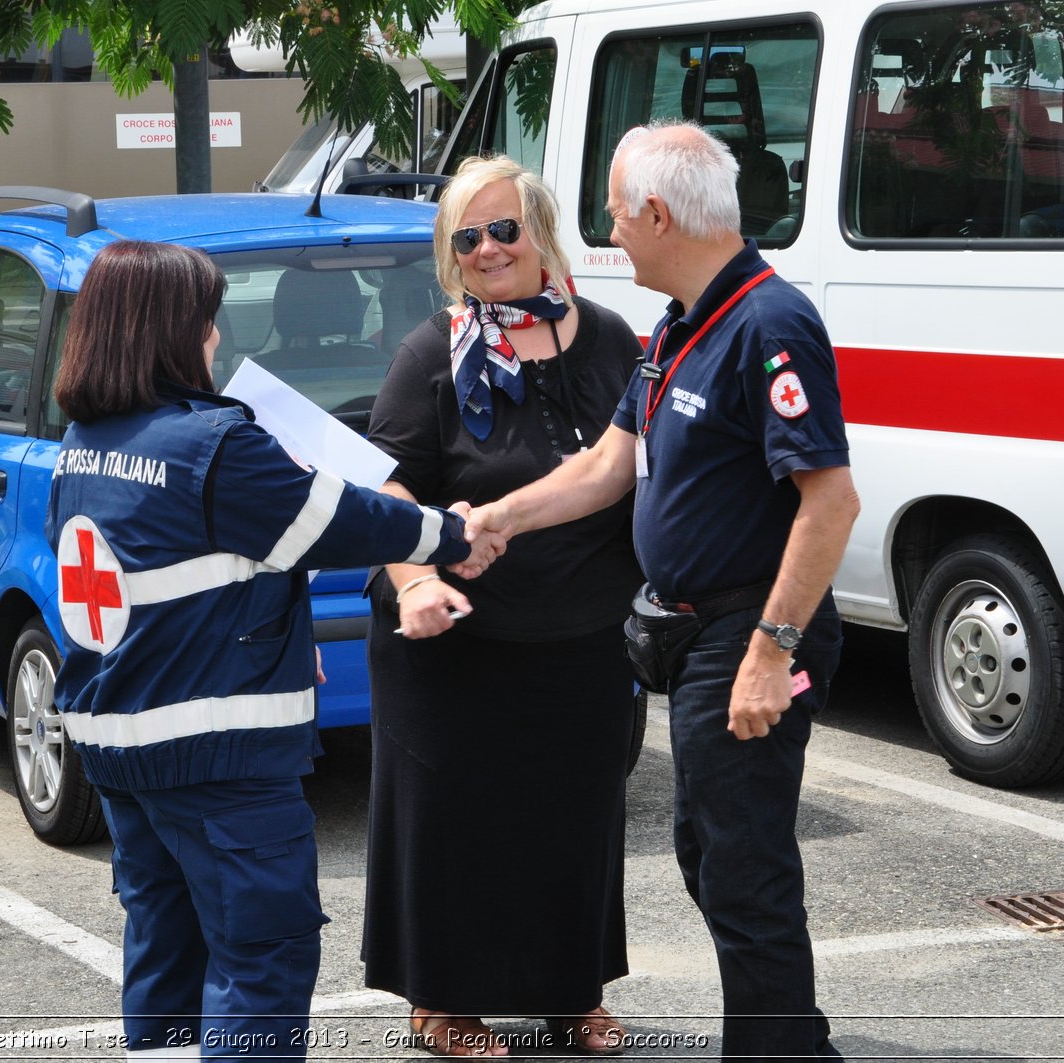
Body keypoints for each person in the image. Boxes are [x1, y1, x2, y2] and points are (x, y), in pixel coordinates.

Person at [44, 240, 497, 1063]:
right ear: (174, 332)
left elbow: (169, 576)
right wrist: (451, 533)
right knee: (263, 960)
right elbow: (338, 520)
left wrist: (268, 628)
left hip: (119, 753)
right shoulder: (213, 445)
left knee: (167, 954)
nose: (217, 338)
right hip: (218, 761)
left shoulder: (83, 445)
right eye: (208, 320)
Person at [464, 123, 860, 1060]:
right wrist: (498, 517)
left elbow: (831, 501)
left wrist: (772, 650)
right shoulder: (682, 323)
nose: (608, 228)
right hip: (694, 636)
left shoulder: (770, 323)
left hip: (745, 633)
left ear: (658, 212)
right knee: (711, 856)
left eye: (614, 210)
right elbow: (609, 466)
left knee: (743, 868)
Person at [363, 155, 646, 1057]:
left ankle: (573, 992)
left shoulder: (610, 341)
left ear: (542, 233)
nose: (488, 250)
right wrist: (418, 581)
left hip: (586, 636)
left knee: (576, 819)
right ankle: (442, 1002)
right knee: (458, 828)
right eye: (467, 237)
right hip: (459, 642)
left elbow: (638, 469)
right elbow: (389, 491)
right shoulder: (431, 353)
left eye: (504, 229)